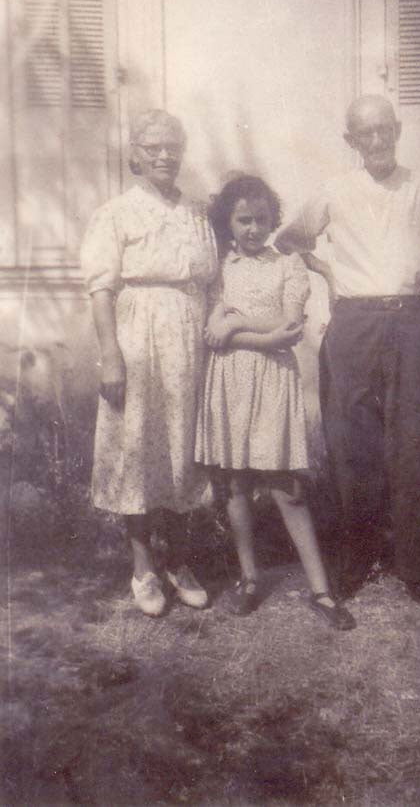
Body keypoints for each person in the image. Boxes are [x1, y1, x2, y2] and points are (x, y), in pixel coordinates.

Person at [275, 94, 420, 602]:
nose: (376, 141)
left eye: (384, 130)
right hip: (351, 324)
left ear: (397, 131)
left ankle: (415, 568)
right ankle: (358, 557)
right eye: (364, 134)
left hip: (409, 323)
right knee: (350, 444)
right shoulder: (334, 191)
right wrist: (326, 270)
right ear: (350, 141)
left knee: (411, 443)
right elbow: (290, 240)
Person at [195, 174, 355, 630]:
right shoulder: (219, 269)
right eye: (243, 220)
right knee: (236, 484)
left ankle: (321, 590)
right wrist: (234, 330)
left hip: (272, 382)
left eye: (261, 220)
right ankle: (249, 579)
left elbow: (289, 326)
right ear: (228, 221)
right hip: (227, 381)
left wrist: (234, 326)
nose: (252, 229)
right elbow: (211, 331)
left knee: (286, 485)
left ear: (272, 221)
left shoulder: (288, 264)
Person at [81, 109, 218, 617]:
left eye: (172, 146)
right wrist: (110, 356)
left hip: (190, 338)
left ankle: (179, 563)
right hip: (138, 336)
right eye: (153, 146)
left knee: (184, 449)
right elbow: (101, 290)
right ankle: (143, 569)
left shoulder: (197, 214)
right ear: (134, 153)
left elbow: (210, 281)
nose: (165, 155)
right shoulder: (116, 212)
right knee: (138, 447)